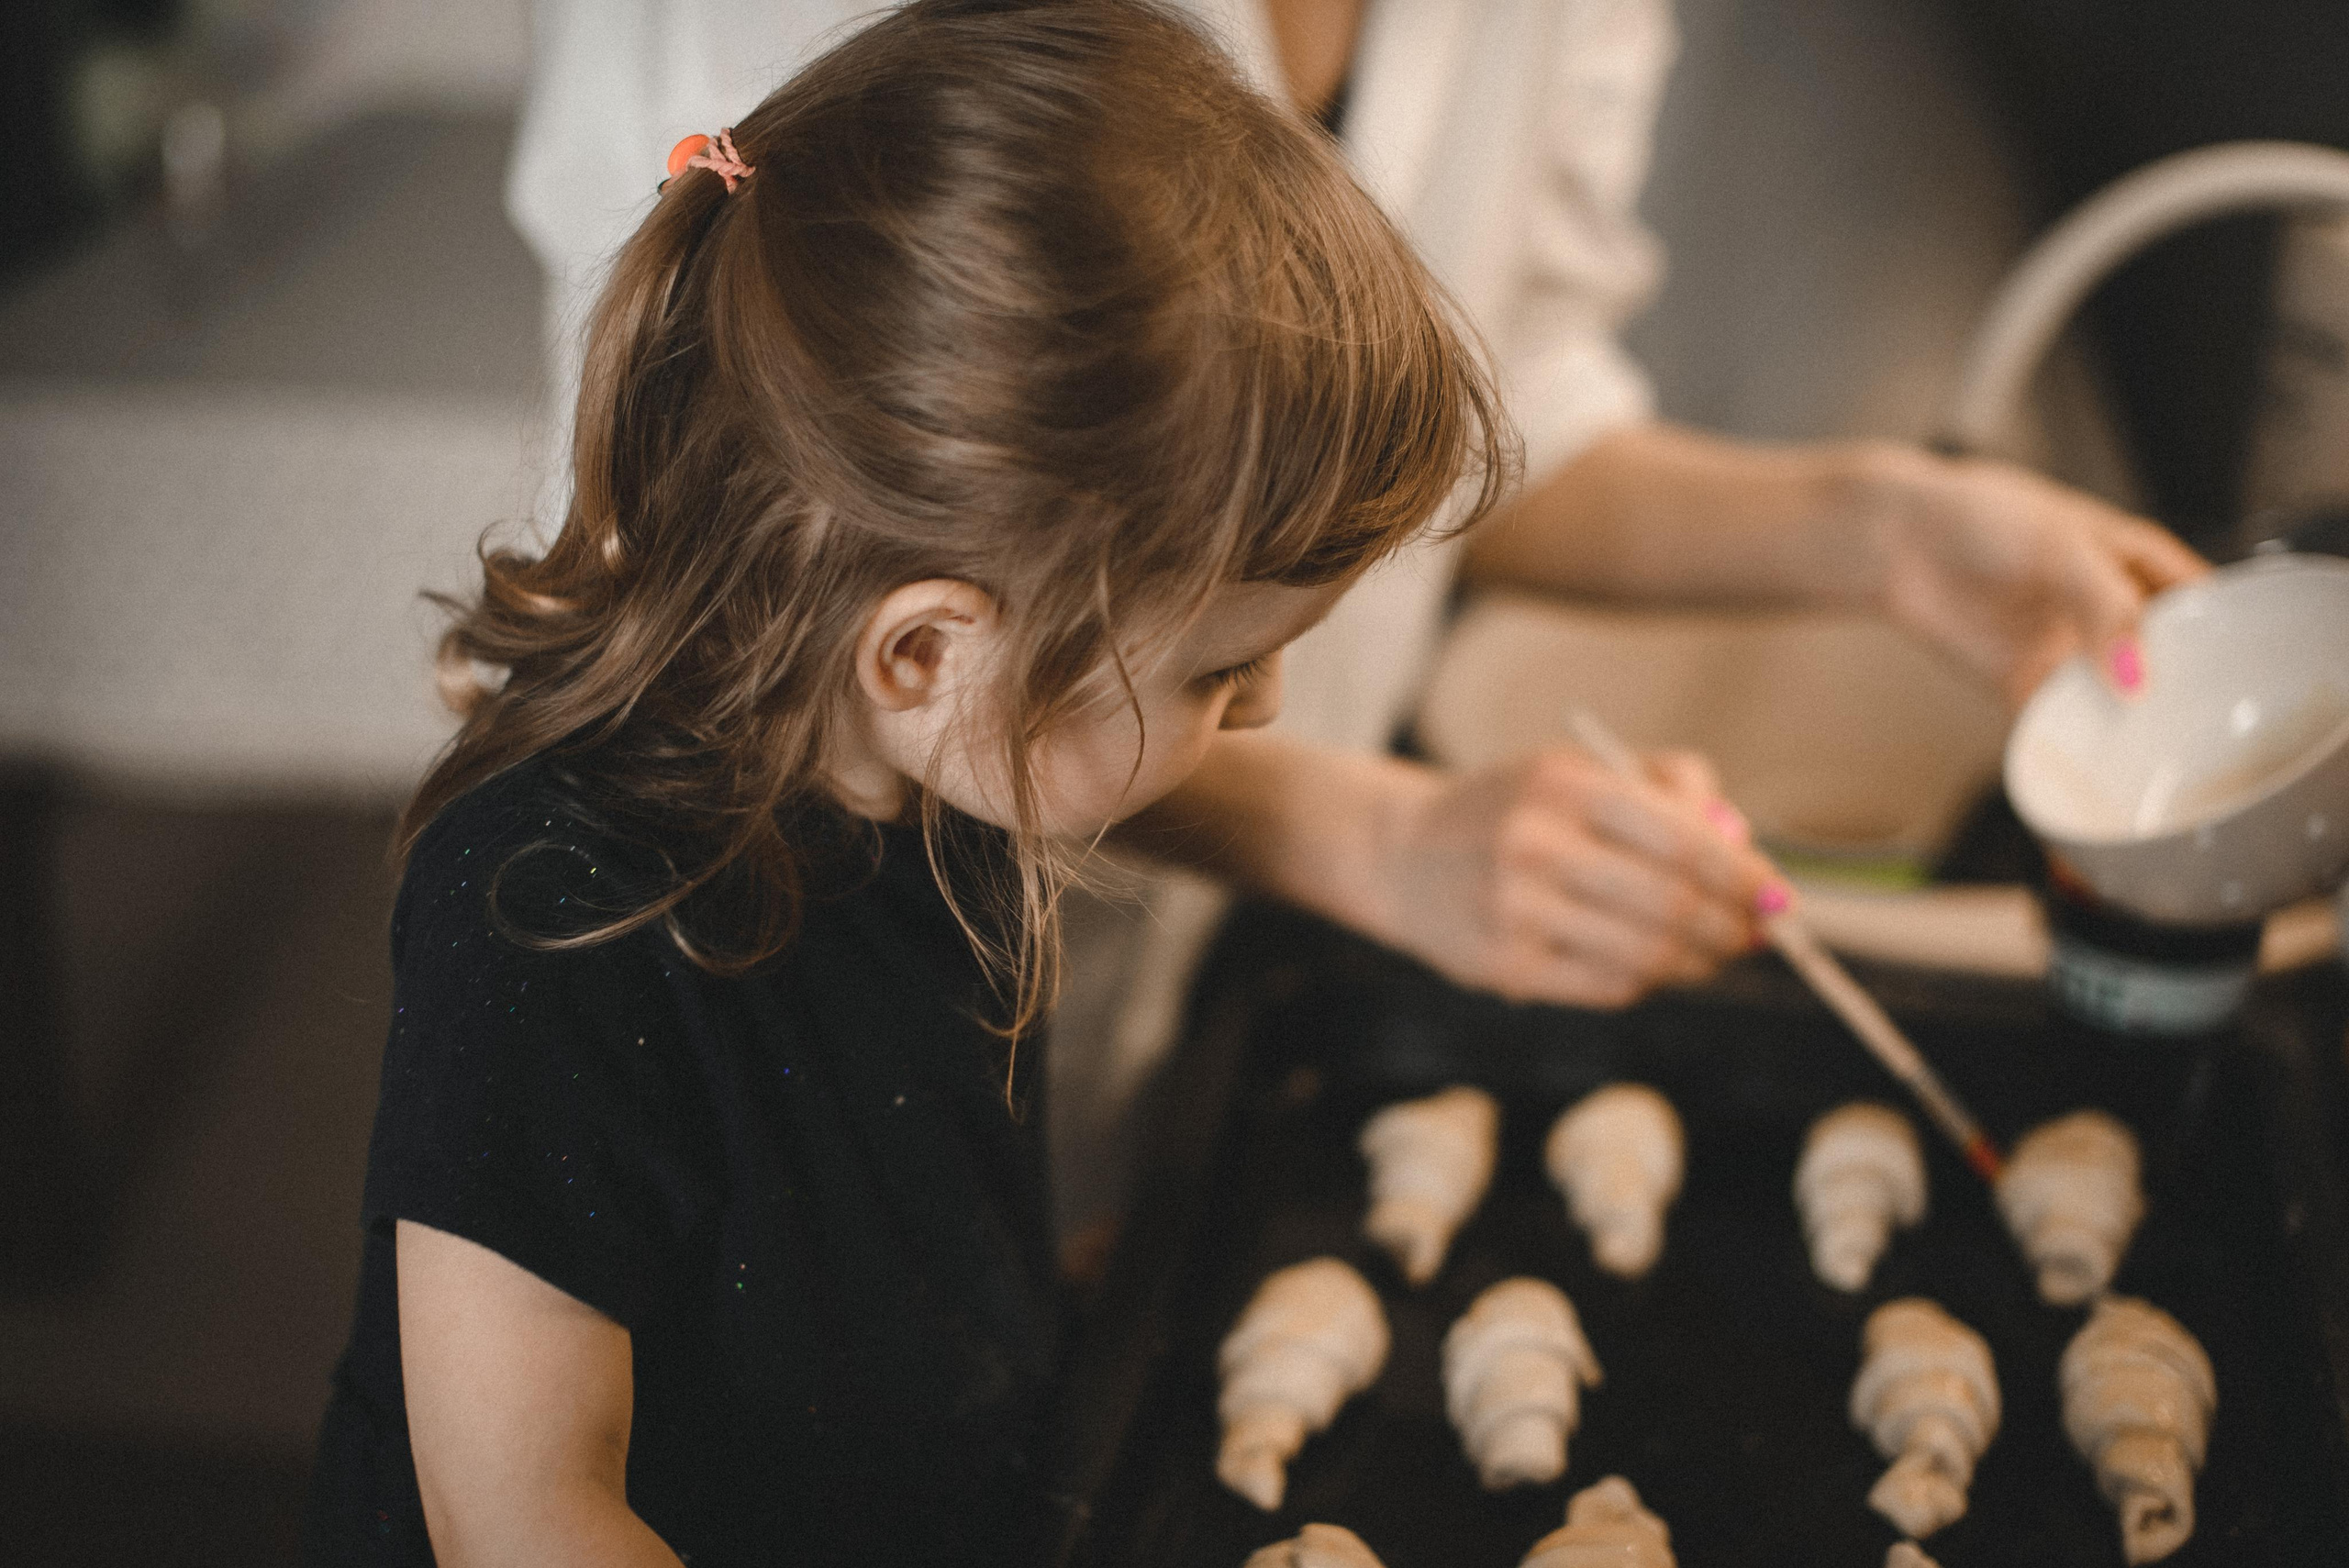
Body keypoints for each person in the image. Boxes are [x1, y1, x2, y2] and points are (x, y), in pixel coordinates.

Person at [303, 3, 1519, 1562]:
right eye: (1219, 670)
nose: (1269, 705)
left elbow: (874, 1206)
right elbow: (522, 1512)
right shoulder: (545, 913)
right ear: (928, 649)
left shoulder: (946, 773)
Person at [508, 0, 2204, 1038]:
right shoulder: (587, 945)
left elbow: (1489, 420)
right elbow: (768, 521)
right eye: (1222, 675)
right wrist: (1367, 839)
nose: (1264, 705)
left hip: (1077, 1018)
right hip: (881, 912)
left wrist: (1885, 531)